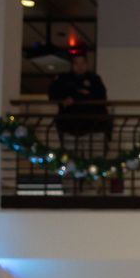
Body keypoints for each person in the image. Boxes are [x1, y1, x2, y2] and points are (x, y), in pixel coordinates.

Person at [49, 51, 111, 185]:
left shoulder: (94, 79)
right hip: (70, 127)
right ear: (72, 65)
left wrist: (75, 96)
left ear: (87, 64)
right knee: (70, 162)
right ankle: (70, 191)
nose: (80, 66)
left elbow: (101, 97)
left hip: (94, 128)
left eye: (82, 63)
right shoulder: (63, 79)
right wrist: (77, 95)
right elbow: (53, 94)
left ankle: (95, 191)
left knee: (95, 163)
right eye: (76, 63)